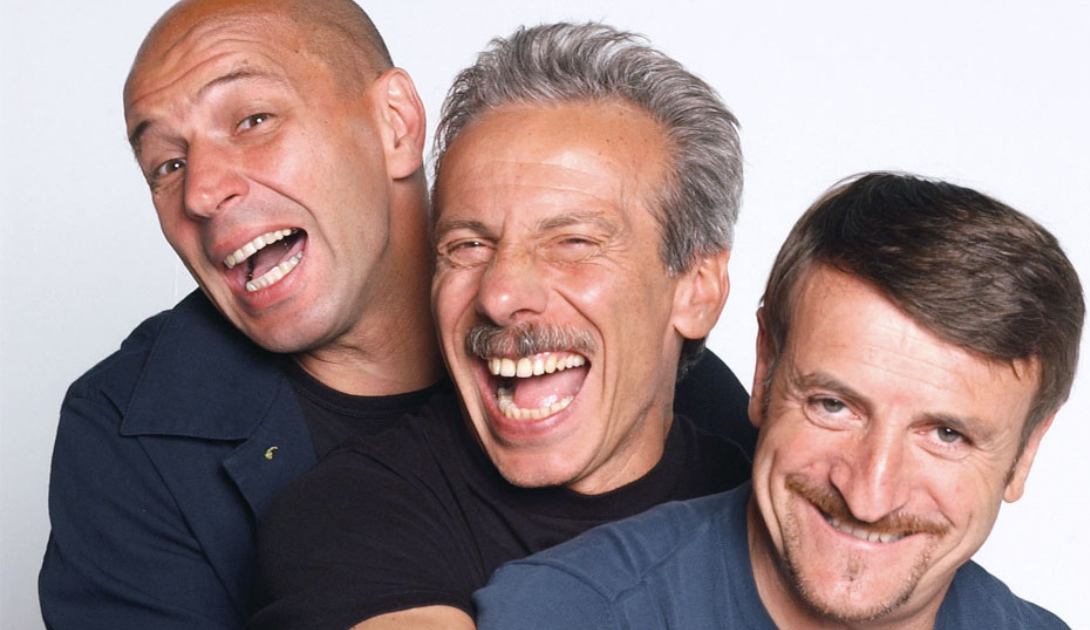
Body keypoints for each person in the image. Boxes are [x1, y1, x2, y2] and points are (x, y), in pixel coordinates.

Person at [37, 3, 752, 628]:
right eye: (166, 165)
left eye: (253, 120)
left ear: (396, 123)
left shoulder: (677, 384)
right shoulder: (134, 435)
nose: (200, 192)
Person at [252, 22, 750, 630]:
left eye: (572, 242)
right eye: (468, 246)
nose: (500, 294)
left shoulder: (771, 497)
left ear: (697, 290)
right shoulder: (350, 513)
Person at [474, 172, 1087, 630]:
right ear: (765, 370)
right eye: (833, 406)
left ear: (1026, 452)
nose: (869, 497)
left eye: (947, 435)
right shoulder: (571, 613)